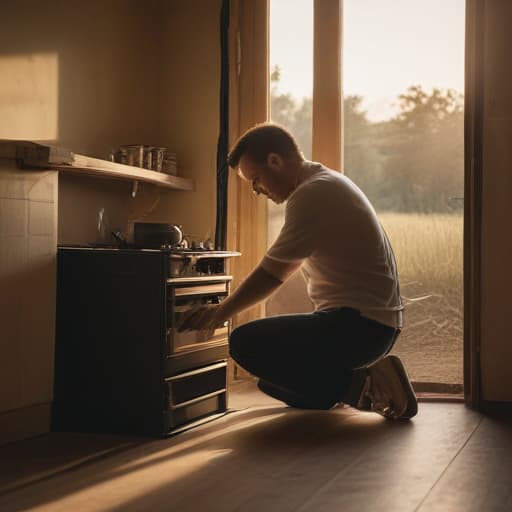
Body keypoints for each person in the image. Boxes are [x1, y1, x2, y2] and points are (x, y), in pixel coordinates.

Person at [179, 123, 418, 419]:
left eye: (256, 179)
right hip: (375, 326)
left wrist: (220, 313)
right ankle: (354, 382)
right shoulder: (327, 182)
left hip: (360, 328)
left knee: (245, 343)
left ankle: (365, 384)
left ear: (275, 161)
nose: (256, 190)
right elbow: (285, 266)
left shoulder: (312, 194)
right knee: (274, 384)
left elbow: (272, 274)